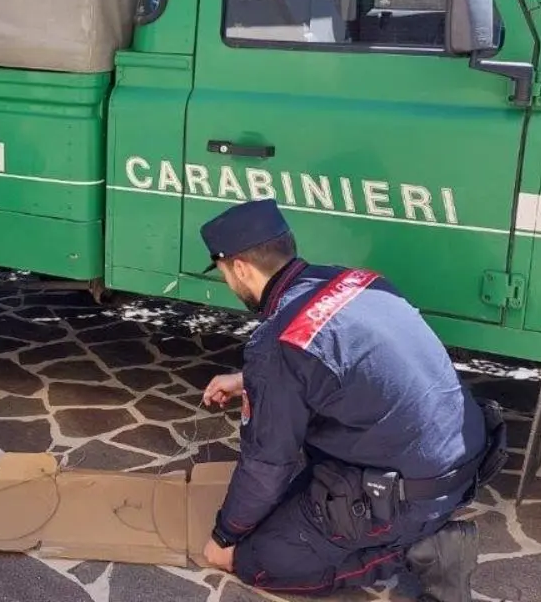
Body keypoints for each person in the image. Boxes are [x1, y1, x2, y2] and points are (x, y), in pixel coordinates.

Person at [195, 199, 506, 602]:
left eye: (223, 273)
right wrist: (247, 380)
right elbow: (345, 366)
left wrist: (225, 537)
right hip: (461, 457)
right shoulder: (353, 280)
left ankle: (419, 547)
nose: (228, 283)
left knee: (258, 559)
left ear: (239, 267)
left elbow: (268, 463)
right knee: (294, 492)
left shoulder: (277, 344)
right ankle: (420, 524)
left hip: (410, 493)